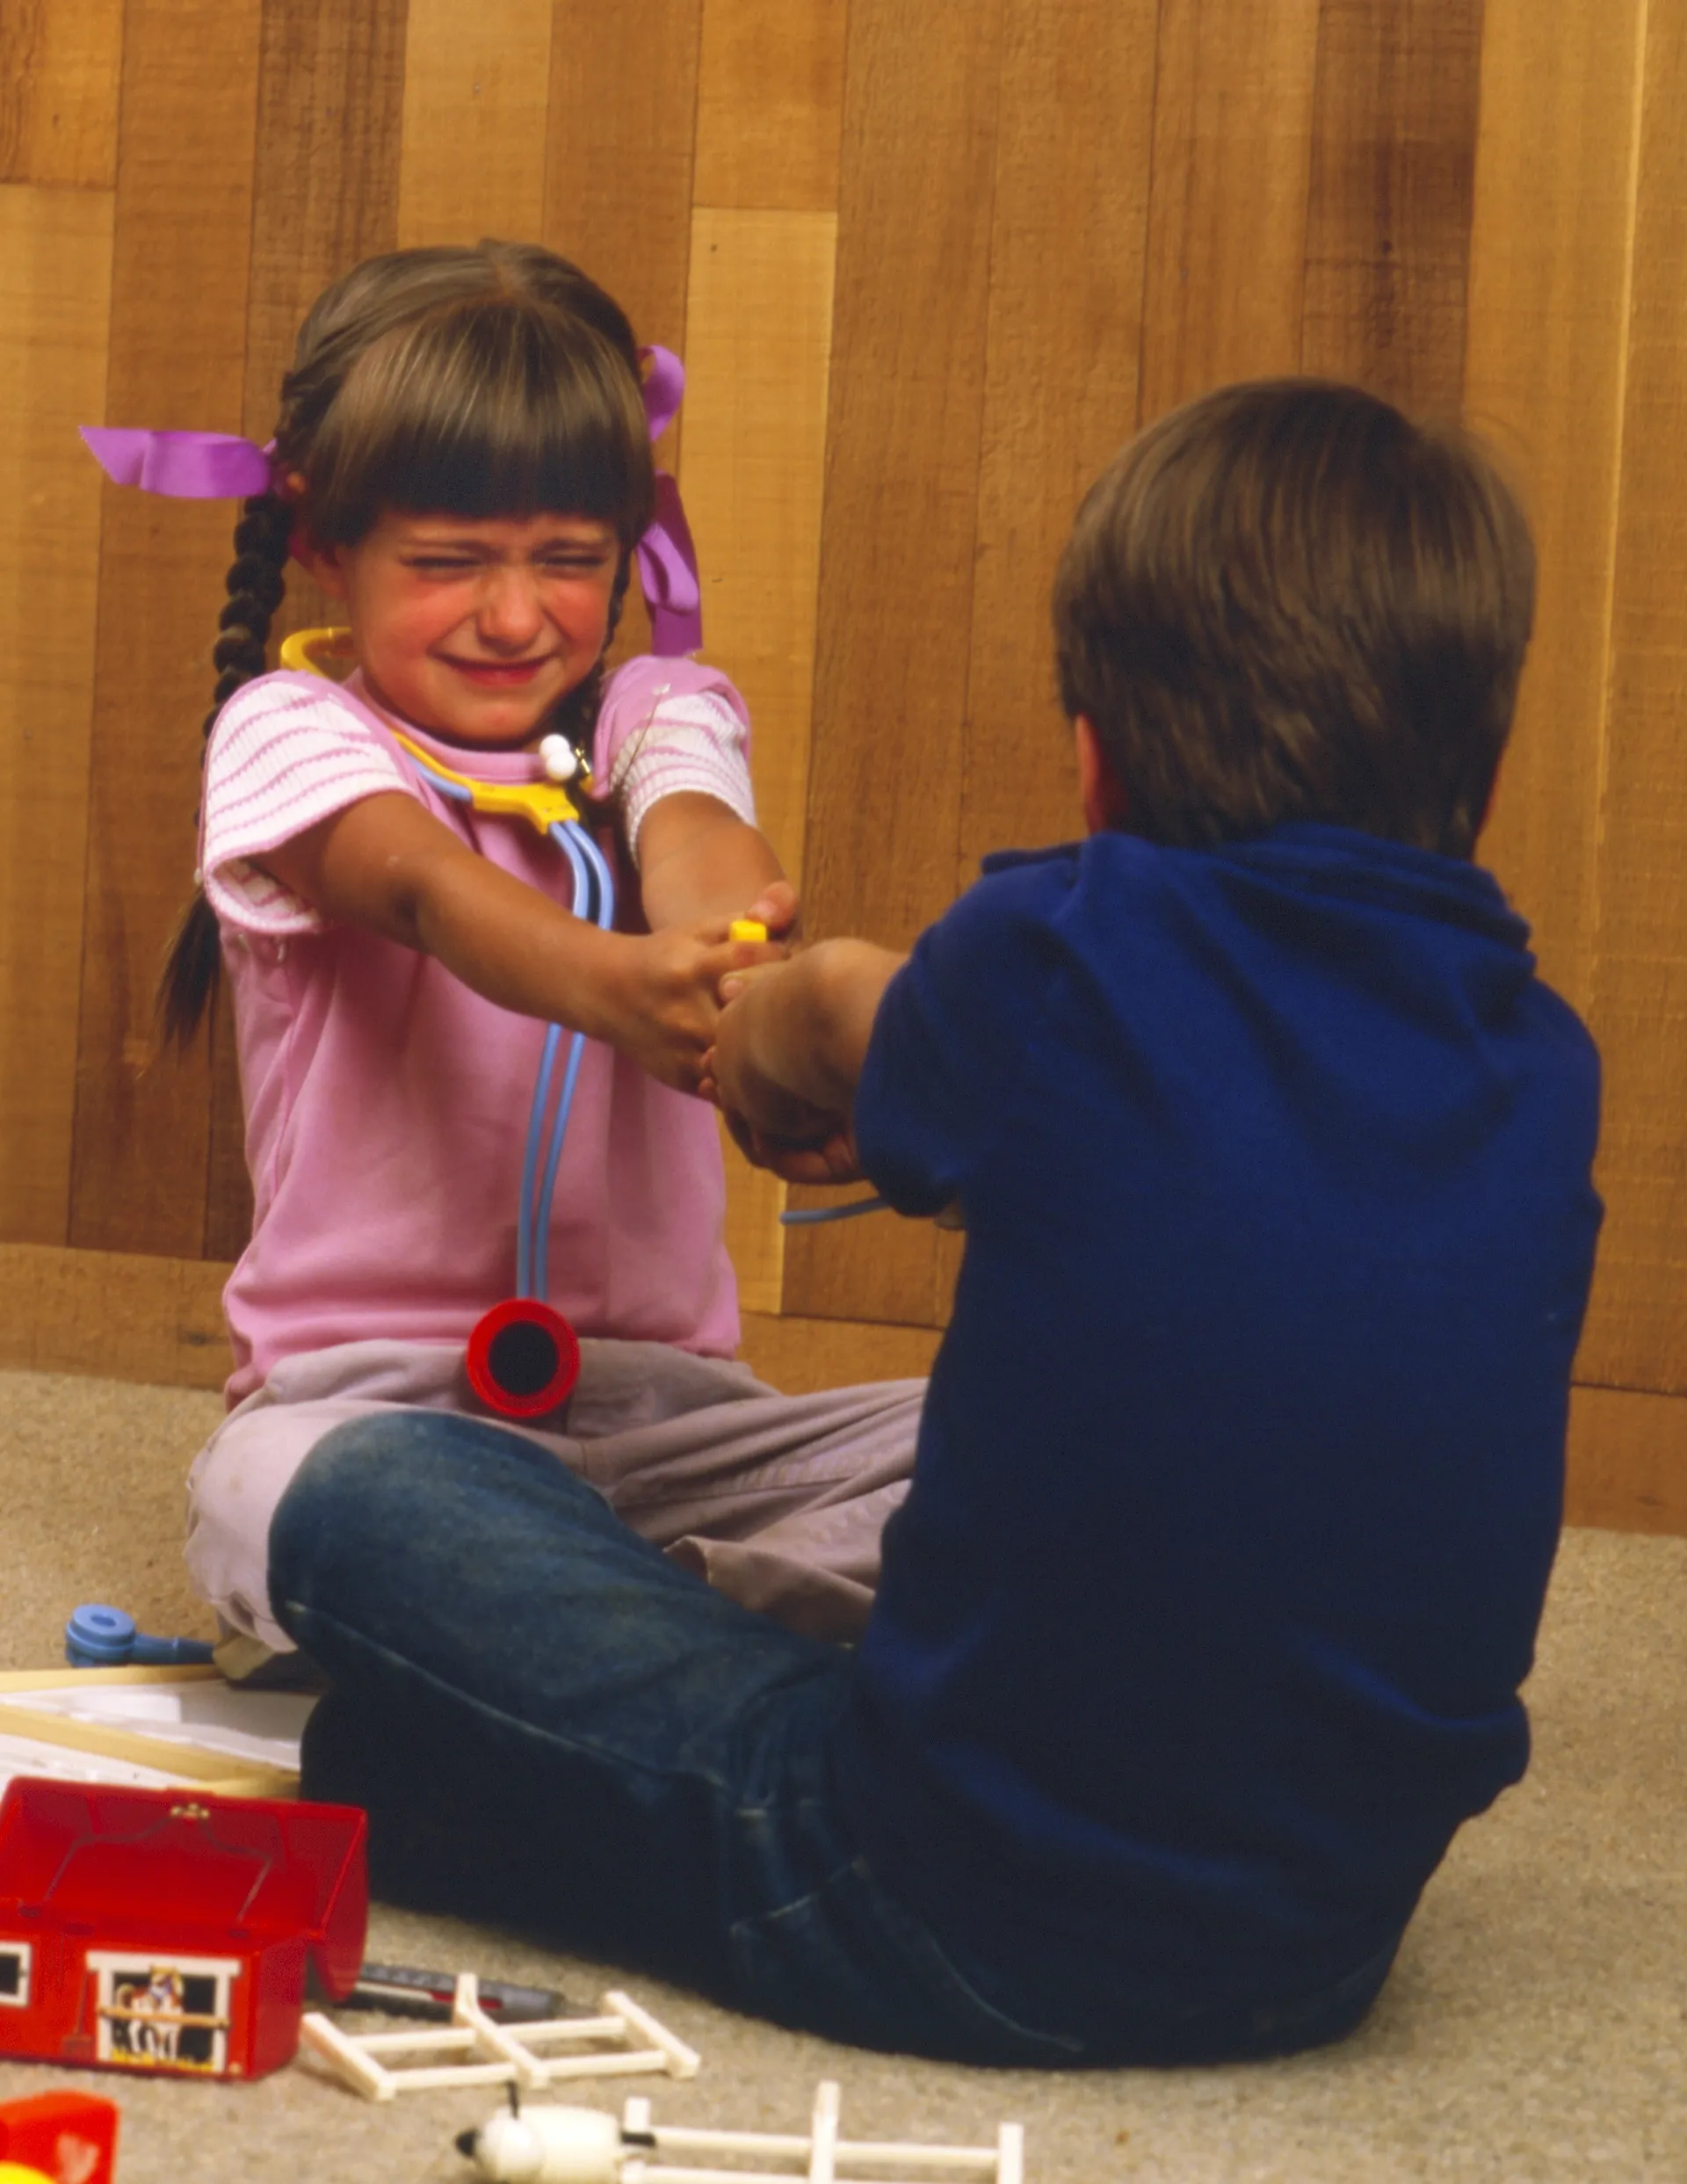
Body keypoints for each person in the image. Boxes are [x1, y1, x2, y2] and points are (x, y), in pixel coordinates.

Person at [265, 378, 1602, 2066]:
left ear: (1093, 762)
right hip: (1332, 1939)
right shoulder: (1538, 1064)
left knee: (372, 1497)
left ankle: (481, 1792)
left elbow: (831, 1024)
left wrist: (785, 1022)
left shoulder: (1056, 966)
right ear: (1477, 782)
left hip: (937, 1895)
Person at [85, 240, 924, 1666]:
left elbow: (702, 839)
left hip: (675, 1434)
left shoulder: (657, 707)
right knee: (275, 1499)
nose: (518, 614)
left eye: (570, 561)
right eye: (451, 563)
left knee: (1019, 1424)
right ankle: (700, 1650)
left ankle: (599, 1647)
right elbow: (420, 891)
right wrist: (623, 994)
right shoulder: (291, 736)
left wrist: (742, 978)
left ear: (628, 544)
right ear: (323, 543)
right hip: (377, 1423)